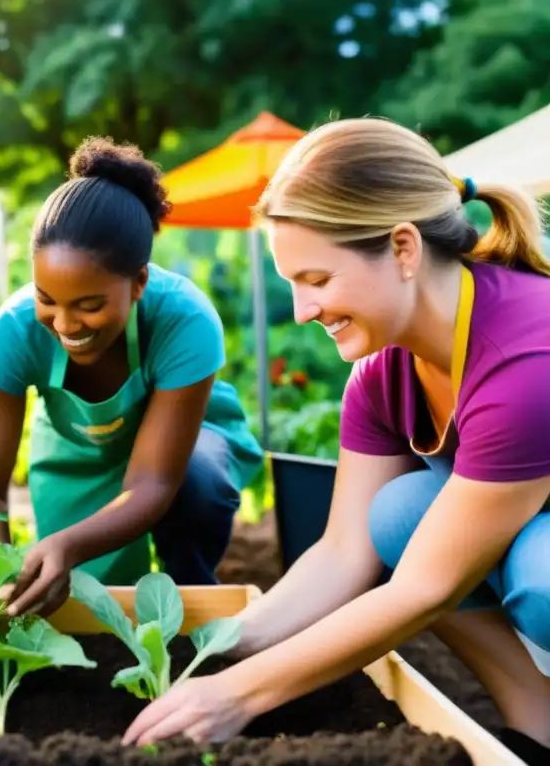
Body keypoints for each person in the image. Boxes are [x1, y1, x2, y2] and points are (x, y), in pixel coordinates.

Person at [121, 117, 550, 764]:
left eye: (317, 280)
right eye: (292, 282)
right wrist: (223, 646)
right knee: (400, 514)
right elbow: (345, 550)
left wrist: (237, 695)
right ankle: (537, 728)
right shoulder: (381, 374)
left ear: (404, 249)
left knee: (541, 577)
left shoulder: (524, 362)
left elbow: (423, 590)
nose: (301, 310)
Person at [0, 136, 264, 616]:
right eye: (46, 298)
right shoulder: (10, 335)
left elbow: (153, 483)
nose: (64, 324)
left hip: (183, 446)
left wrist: (71, 545)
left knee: (199, 483)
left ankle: (193, 601)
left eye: (90, 305)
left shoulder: (184, 320)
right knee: (85, 599)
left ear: (138, 282)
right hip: (79, 452)